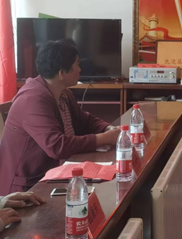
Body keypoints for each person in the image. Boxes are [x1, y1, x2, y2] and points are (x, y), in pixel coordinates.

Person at [0, 40, 120, 195]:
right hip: (28, 187)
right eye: (77, 64)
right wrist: (105, 138)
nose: (80, 69)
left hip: (56, 171)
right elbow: (57, 146)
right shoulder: (33, 99)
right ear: (62, 73)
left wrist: (108, 128)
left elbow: (84, 120)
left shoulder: (63, 93)